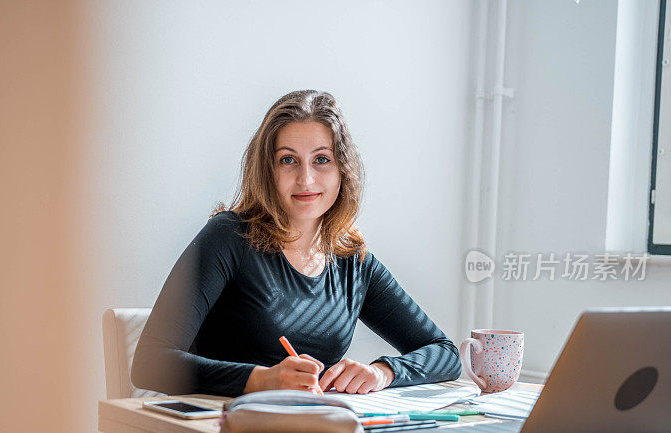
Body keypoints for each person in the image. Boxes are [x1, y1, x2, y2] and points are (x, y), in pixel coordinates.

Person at [131, 90, 461, 399]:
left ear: (342, 171)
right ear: (267, 171)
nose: (306, 179)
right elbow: (149, 363)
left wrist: (383, 372)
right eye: (288, 160)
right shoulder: (228, 237)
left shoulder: (353, 263)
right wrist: (262, 380)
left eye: (321, 160)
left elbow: (444, 352)